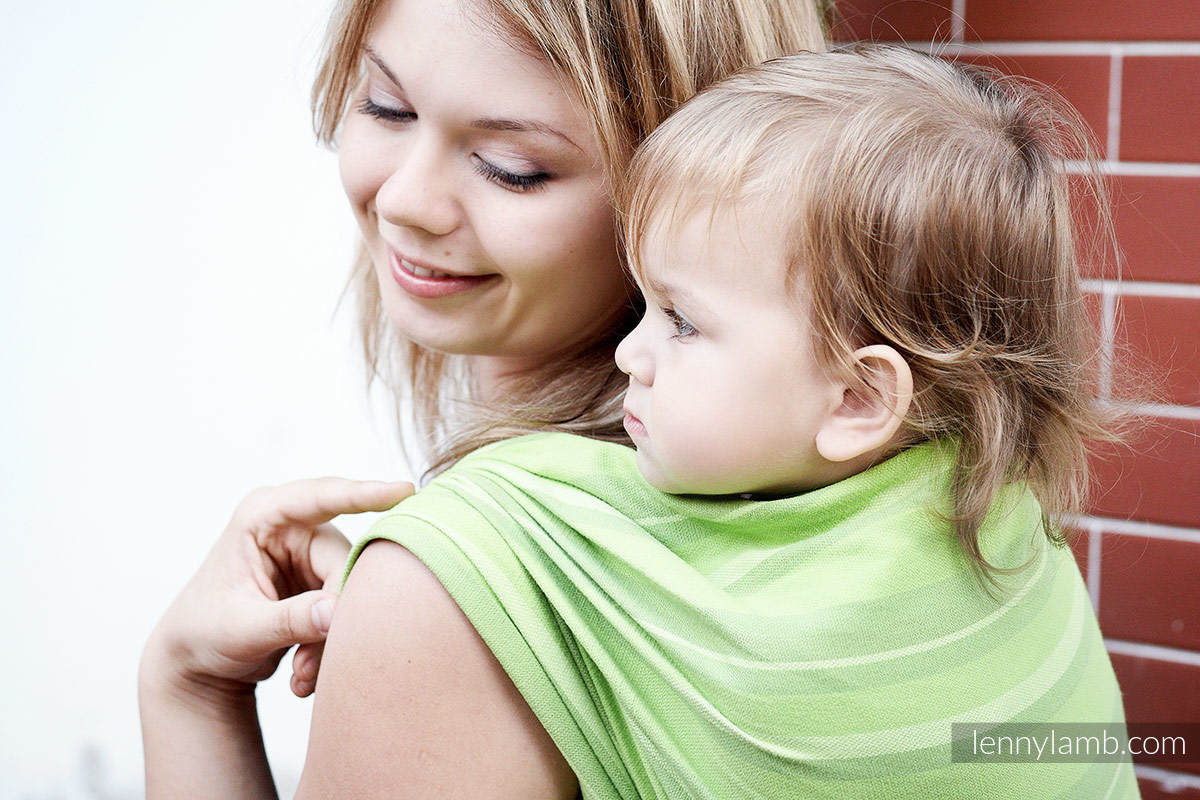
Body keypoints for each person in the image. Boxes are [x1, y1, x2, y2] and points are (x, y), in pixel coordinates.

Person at [327, 47, 1139, 796]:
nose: (628, 354)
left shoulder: (509, 561)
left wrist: (201, 698)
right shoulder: (1006, 514)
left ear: (858, 400)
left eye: (680, 321)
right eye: (645, 302)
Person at [137, 0, 825, 796]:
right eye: (385, 106)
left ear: (693, 186)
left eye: (510, 166)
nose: (404, 201)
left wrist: (186, 693)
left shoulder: (464, 583)